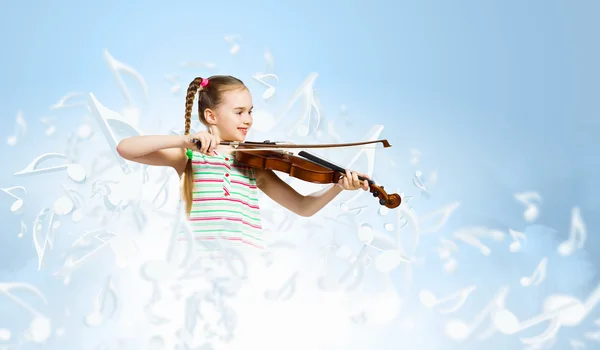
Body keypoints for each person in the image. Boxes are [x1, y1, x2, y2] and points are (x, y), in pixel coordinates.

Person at [116, 75, 369, 252]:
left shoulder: (253, 164)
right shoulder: (190, 157)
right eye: (239, 112)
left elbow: (303, 207)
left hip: (242, 266)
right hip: (195, 263)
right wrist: (183, 140)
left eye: (250, 111)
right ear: (211, 116)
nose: (248, 119)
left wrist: (337, 185)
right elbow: (126, 148)